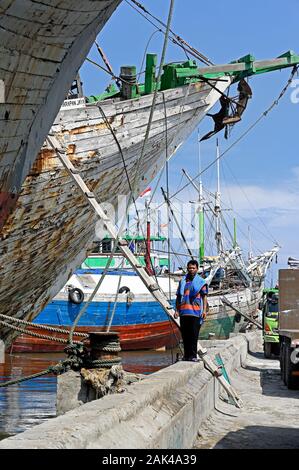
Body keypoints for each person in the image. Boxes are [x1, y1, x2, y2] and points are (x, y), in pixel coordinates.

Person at [175, 260, 208, 361]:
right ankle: (186, 356)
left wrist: (204, 311)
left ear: (197, 269)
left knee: (194, 335)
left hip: (195, 312)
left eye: (193, 268)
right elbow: (178, 297)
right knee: (185, 335)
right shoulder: (183, 281)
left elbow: (204, 297)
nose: (191, 270)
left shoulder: (201, 282)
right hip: (184, 312)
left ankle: (193, 356)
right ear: (187, 268)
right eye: (189, 268)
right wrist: (177, 310)